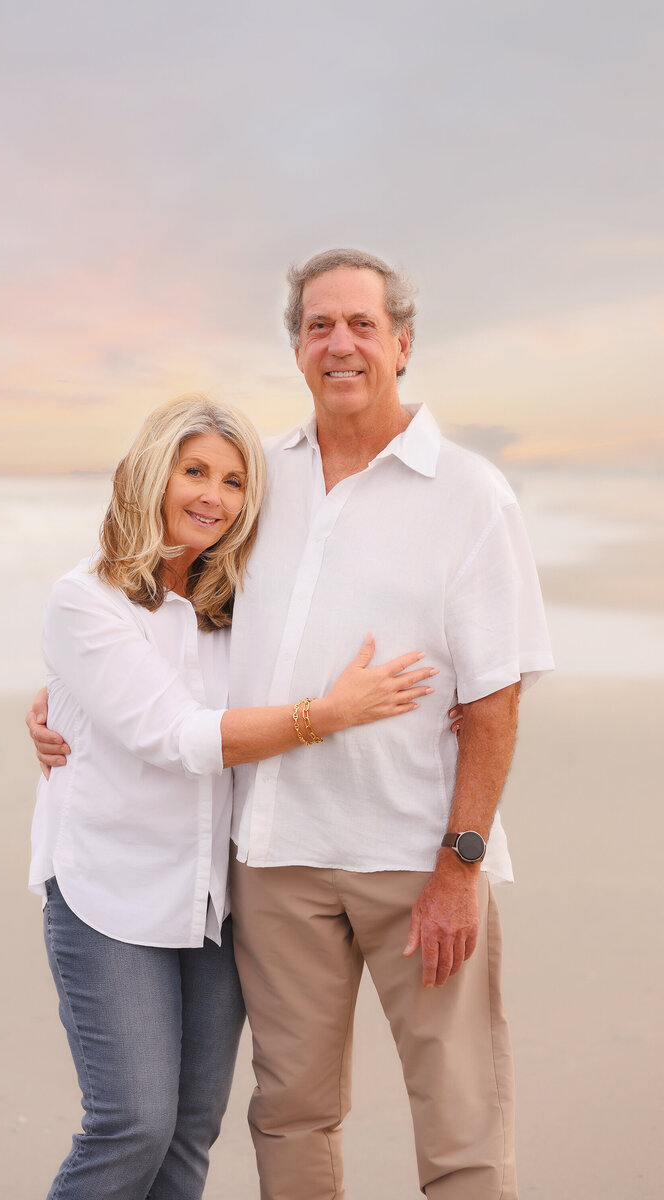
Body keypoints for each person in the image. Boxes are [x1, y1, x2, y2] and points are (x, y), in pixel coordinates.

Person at [30, 249, 554, 1200]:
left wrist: (460, 863)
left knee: (462, 1123)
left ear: (402, 343)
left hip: (414, 859)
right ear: (297, 348)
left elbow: (495, 697)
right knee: (289, 1118)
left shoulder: (472, 494)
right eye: (319, 325)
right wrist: (63, 699)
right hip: (270, 862)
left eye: (361, 324)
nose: (340, 343)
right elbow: (144, 595)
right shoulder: (256, 479)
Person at [28, 393, 441, 1200]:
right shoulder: (86, 600)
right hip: (107, 893)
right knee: (131, 1125)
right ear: (153, 474)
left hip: (212, 901)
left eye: (234, 481)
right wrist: (328, 716)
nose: (213, 496)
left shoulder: (234, 609)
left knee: (188, 1133)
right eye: (195, 472)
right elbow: (177, 737)